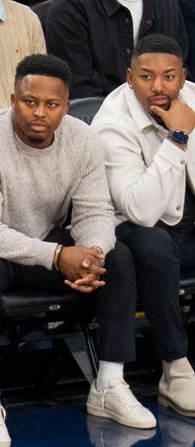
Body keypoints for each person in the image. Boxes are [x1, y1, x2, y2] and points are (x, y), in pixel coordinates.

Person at [0, 54, 156, 447]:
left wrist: (92, 254)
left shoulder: (82, 139)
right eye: (29, 102)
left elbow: (95, 211)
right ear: (12, 98)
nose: (40, 112)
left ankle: (109, 383)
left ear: (66, 107)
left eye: (52, 105)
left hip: (36, 240)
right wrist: (55, 256)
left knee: (117, 256)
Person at [91, 33, 195, 415]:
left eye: (168, 77)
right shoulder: (112, 123)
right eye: (147, 77)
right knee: (153, 245)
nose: (158, 87)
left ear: (183, 77)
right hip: (133, 231)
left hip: (188, 222)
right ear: (129, 77)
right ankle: (176, 369)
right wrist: (179, 138)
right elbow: (140, 210)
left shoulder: (194, 99)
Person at [47, 0, 190, 99]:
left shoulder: (167, 5)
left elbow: (179, 75)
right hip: (101, 124)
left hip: (164, 119)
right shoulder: (68, 9)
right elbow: (81, 90)